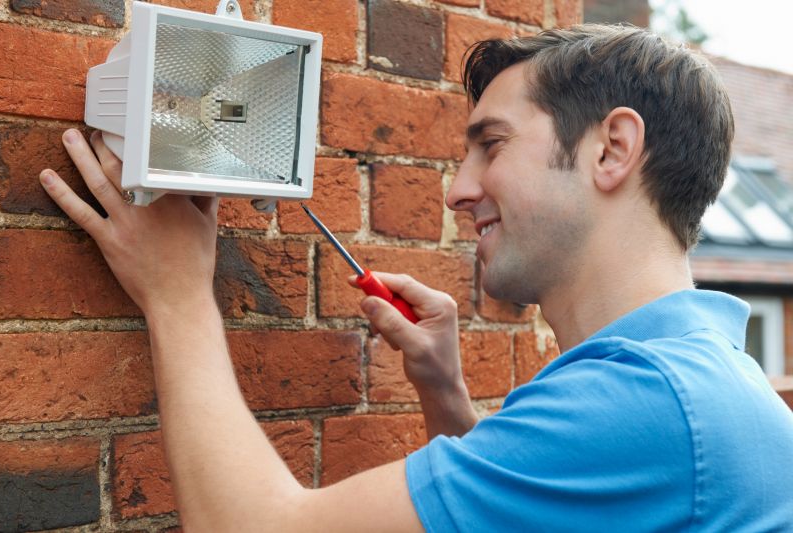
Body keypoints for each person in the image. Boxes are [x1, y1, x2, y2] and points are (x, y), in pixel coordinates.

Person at [40, 23, 793, 532]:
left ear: (612, 149)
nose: (458, 190)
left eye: (491, 145)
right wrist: (444, 392)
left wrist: (175, 292)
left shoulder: (643, 406)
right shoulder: (698, 378)